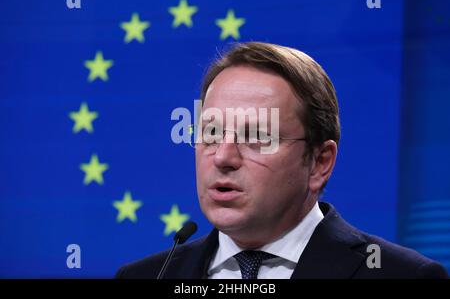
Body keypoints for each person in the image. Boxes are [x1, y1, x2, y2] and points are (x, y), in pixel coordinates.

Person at [115, 42, 448, 279]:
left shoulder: (401, 274)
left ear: (320, 162)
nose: (224, 157)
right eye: (211, 133)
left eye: (257, 137)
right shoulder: (147, 275)